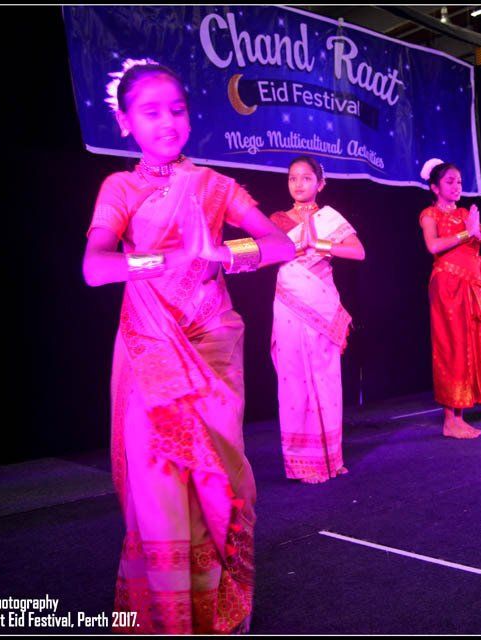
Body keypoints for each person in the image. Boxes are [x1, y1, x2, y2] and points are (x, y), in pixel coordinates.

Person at [82, 59, 295, 634]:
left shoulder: (214, 185)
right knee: (158, 488)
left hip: (211, 347)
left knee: (218, 482)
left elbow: (280, 246)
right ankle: (172, 618)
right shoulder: (119, 188)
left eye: (177, 109)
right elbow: (95, 268)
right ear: (125, 123)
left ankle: (221, 607)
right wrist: (161, 261)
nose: (167, 122)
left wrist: (226, 255)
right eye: (150, 113)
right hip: (150, 351)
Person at [269, 156, 365, 484]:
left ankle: (332, 458)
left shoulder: (329, 217)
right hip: (289, 302)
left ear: (320, 184)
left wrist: (318, 244)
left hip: (321, 302)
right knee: (294, 378)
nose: (298, 184)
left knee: (325, 377)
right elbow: (262, 253)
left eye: (306, 178)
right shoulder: (278, 220)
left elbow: (357, 251)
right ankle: (302, 463)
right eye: (293, 177)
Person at [418, 158, 481, 438]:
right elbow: (433, 245)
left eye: (459, 181)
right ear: (435, 187)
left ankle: (459, 417)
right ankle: (449, 419)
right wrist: (468, 232)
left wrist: (479, 233)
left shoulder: (467, 213)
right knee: (451, 347)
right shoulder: (430, 214)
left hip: (471, 287)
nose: (457, 186)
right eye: (449, 181)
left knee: (468, 347)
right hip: (447, 285)